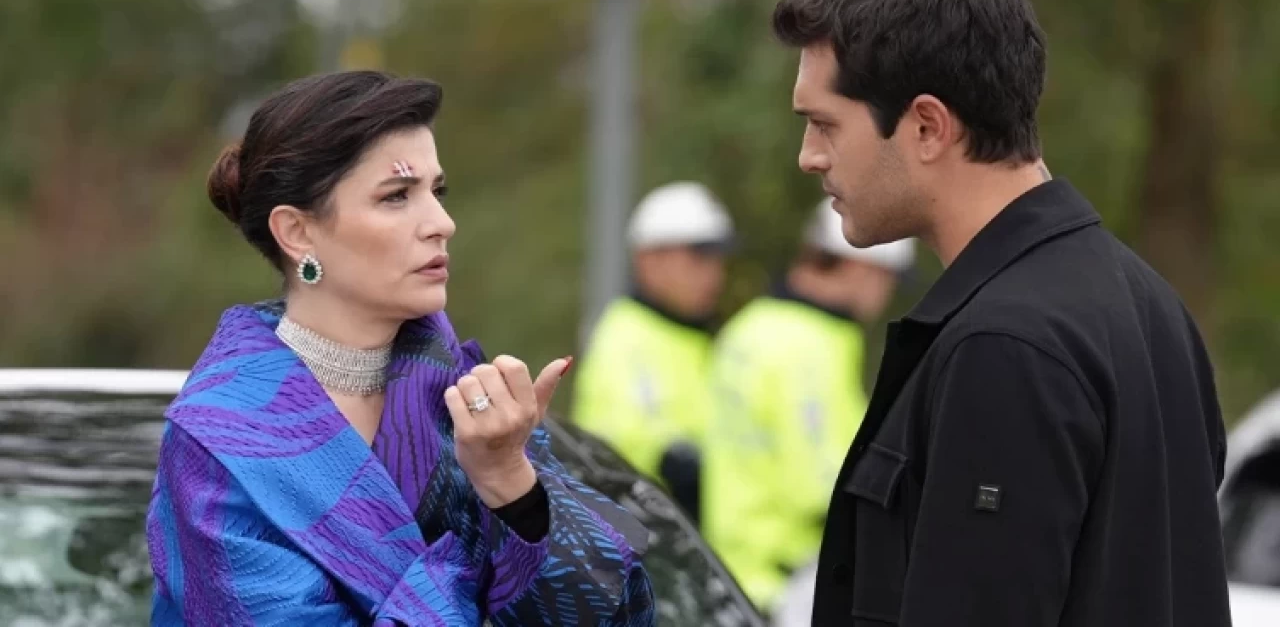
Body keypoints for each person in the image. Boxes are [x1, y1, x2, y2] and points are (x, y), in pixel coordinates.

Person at [771, 0, 1231, 627]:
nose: (809, 157)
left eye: (824, 125)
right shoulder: (1147, 302)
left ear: (927, 126)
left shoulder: (1005, 346)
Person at [144, 71, 655, 626]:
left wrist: (511, 482)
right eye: (396, 196)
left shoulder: (465, 398)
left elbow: (619, 614)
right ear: (297, 233)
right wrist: (468, 576)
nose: (442, 223)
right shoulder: (221, 440)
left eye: (437, 192)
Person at [702, 198, 913, 613]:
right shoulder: (810, 348)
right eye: (887, 279)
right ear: (860, 268)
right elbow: (823, 484)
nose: (885, 295)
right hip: (790, 588)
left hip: (733, 576)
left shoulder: (750, 325)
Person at [570, 181, 734, 522]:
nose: (714, 273)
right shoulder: (625, 337)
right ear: (649, 259)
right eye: (698, 257)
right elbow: (633, 445)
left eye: (717, 259)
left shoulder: (693, 336)